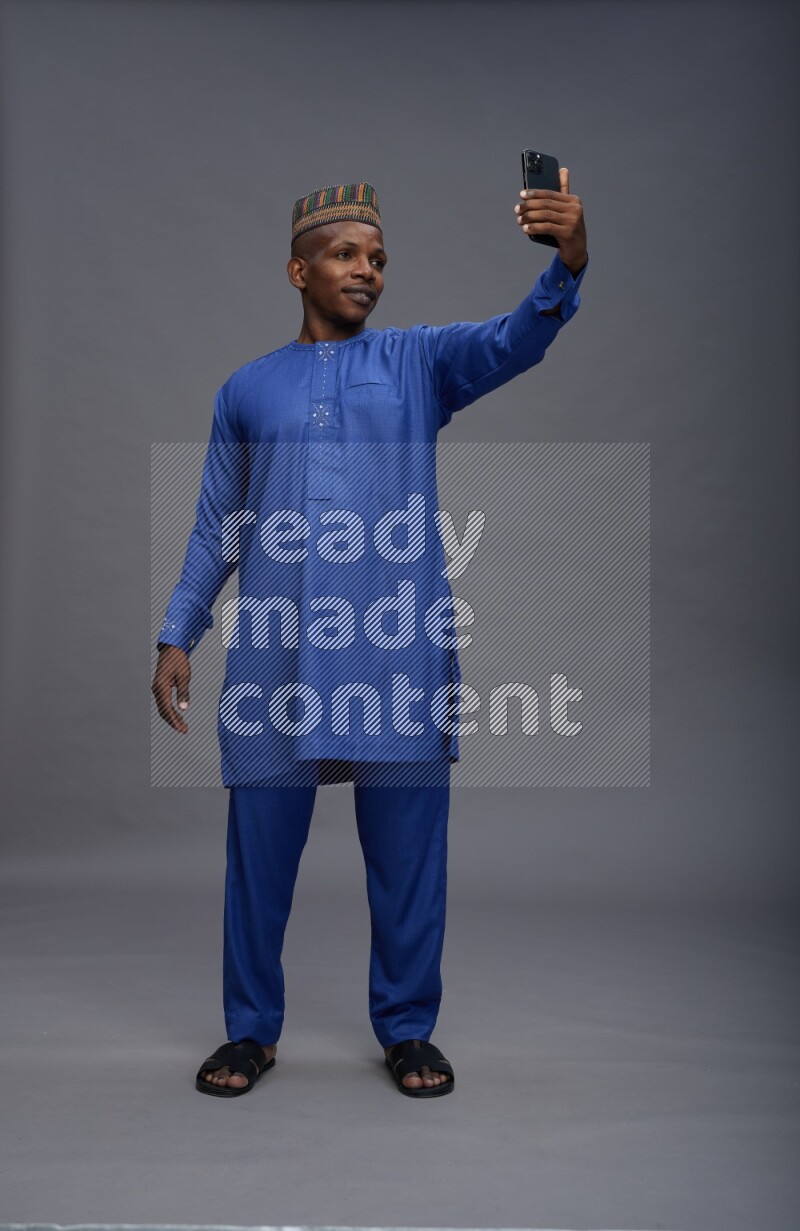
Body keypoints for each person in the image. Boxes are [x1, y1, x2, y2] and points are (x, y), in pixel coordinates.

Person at [151, 175, 588, 1098]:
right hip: (276, 657)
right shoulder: (247, 387)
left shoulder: (421, 363)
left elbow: (518, 339)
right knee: (258, 859)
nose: (367, 271)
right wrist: (176, 632)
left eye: (378, 258)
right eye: (347, 254)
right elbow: (216, 525)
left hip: (394, 652)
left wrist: (569, 261)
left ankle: (407, 1029)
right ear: (297, 268)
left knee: (408, 859)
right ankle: (250, 1031)